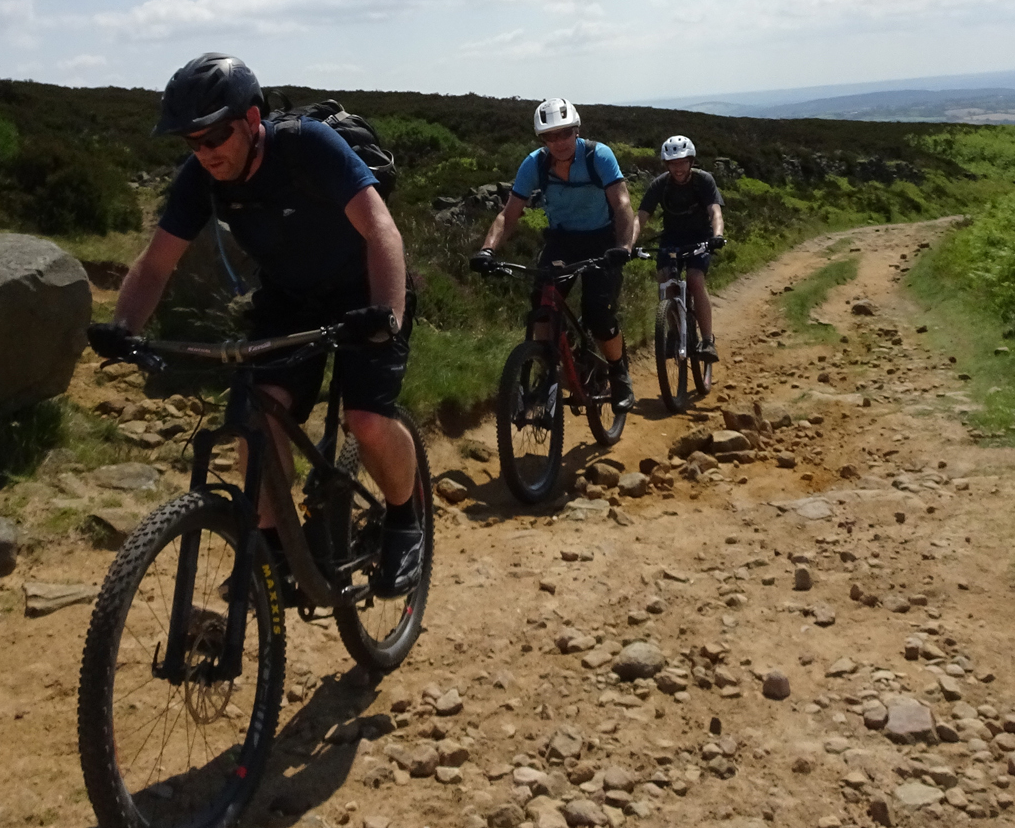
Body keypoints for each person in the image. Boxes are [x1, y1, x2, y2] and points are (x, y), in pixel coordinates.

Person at [86, 53, 424, 596]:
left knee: (365, 419)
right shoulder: (202, 178)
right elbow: (156, 264)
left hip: (364, 290)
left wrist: (386, 314)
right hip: (290, 298)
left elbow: (381, 230)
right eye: (192, 141)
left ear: (250, 119)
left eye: (215, 136)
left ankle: (406, 522)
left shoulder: (307, 146)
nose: (205, 152)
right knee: (255, 418)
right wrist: (123, 325)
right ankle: (275, 554)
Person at [470, 98, 637, 413]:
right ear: (542, 140)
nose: (559, 141)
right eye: (550, 136)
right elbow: (509, 215)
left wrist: (623, 247)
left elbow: (622, 204)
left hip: (602, 241)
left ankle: (619, 373)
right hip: (561, 241)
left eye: (565, 133)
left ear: (577, 130)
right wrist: (487, 249)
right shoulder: (534, 164)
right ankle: (548, 369)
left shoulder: (598, 155)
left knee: (599, 314)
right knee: (543, 306)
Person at [628, 135, 727, 360]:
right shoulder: (660, 184)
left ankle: (707, 341)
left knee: (695, 279)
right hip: (672, 238)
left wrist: (718, 236)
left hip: (700, 238)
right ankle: (673, 331)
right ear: (666, 164)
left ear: (691, 161)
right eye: (673, 163)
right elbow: (641, 217)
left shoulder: (704, 180)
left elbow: (715, 212)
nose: (678, 168)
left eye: (682, 162)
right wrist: (628, 245)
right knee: (664, 279)